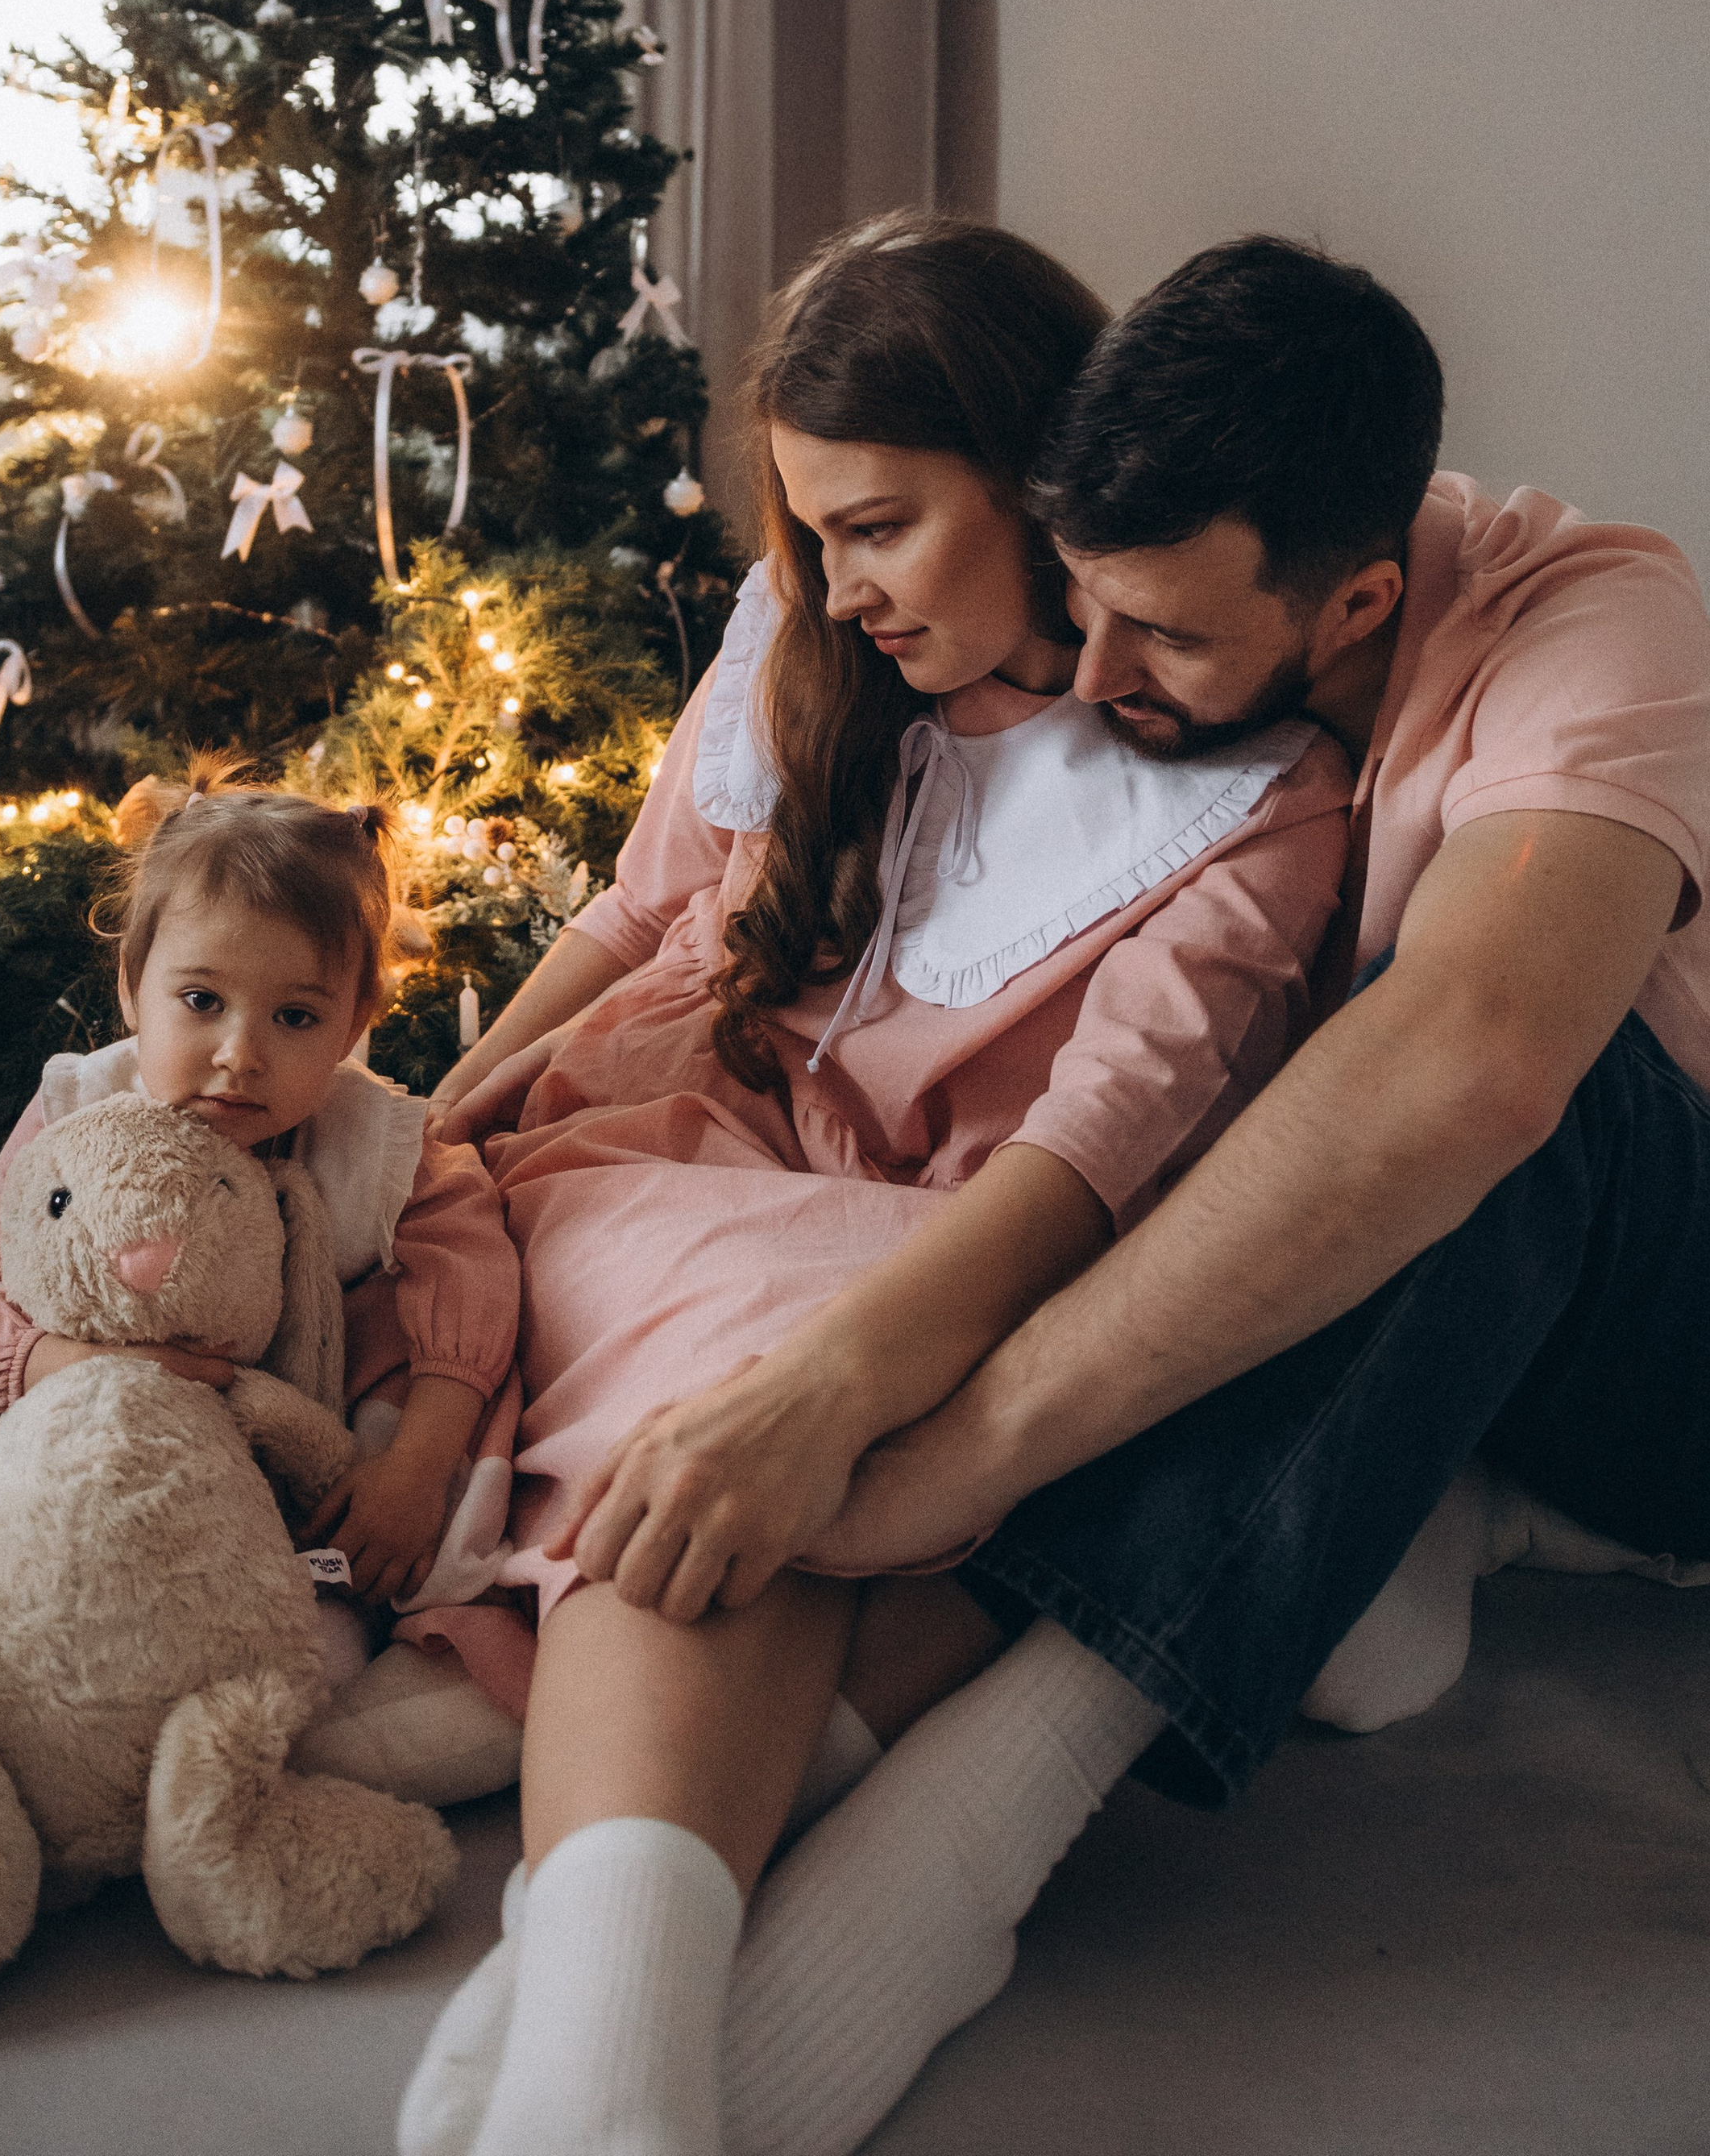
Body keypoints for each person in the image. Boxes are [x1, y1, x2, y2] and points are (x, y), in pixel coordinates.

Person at [611, 231, 1710, 2156]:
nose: (1097, 682)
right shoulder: (1160, 601)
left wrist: (962, 1447)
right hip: (1432, 1332)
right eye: (1082, 610)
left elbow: (1466, 1065)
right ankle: (670, 1876)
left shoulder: (1593, 631)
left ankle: (975, 1825)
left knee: (1499, 1078)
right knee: (1235, 1145)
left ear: (1354, 600)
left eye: (1164, 643)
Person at [398, 214, 1352, 2156]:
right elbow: (640, 911)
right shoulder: (809, 639)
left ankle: (595, 2031)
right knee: (709, 1384)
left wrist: (830, 1374)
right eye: (813, 533)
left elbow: (1085, 1162)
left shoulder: (1249, 800)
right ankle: (614, 2034)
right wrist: (439, 1116)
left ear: (1034, 479)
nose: (836, 586)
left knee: (769, 1414)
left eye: (882, 528)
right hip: (675, 1137)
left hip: (943, 1246)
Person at [0, 770, 521, 1642]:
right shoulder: (76, 1111)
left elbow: (475, 1281)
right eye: (202, 1002)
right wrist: (78, 1364)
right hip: (99, 1446)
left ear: (355, 1023)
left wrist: (416, 1470)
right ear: (132, 988)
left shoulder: (381, 1141)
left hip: (302, 1475)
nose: (240, 1054)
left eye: (296, 1017)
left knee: (332, 1627)